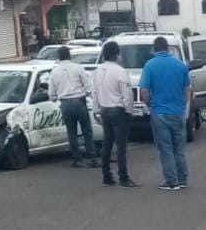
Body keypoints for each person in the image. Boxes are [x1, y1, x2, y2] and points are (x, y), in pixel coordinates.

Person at [139, 36, 191, 191]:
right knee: (179, 149)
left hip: (159, 113)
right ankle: (182, 179)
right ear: (167, 48)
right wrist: (182, 105)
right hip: (178, 111)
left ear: (155, 49)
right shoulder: (180, 65)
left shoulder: (150, 65)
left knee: (166, 149)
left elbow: (144, 91)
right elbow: (187, 89)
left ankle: (171, 181)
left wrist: (150, 105)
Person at [92, 41, 139, 188]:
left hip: (104, 109)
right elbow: (127, 95)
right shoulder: (120, 71)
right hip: (118, 110)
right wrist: (129, 111)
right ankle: (123, 177)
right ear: (115, 54)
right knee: (121, 146)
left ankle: (106, 176)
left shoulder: (97, 71)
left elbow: (94, 92)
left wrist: (95, 110)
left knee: (107, 143)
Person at [48, 46, 97, 168]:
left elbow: (51, 94)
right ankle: (92, 157)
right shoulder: (78, 68)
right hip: (79, 102)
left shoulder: (54, 72)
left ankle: (76, 159)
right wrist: (89, 95)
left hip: (65, 104)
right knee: (86, 130)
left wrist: (55, 98)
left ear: (58, 57)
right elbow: (88, 86)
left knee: (71, 132)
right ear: (69, 55)